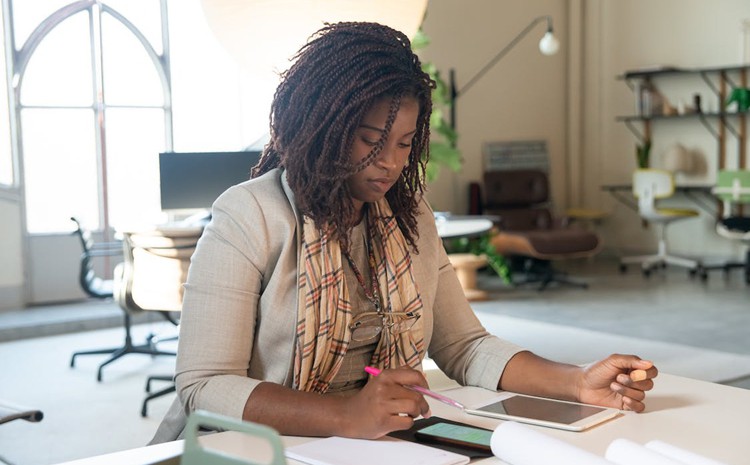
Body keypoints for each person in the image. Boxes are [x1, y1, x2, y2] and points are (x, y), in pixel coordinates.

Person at [151, 21, 657, 443]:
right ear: (320, 125)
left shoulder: (409, 216)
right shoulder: (249, 215)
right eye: (370, 140)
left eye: (403, 143)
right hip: (248, 447)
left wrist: (576, 382)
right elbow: (205, 383)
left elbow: (465, 346)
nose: (390, 163)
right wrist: (346, 415)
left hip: (373, 443)